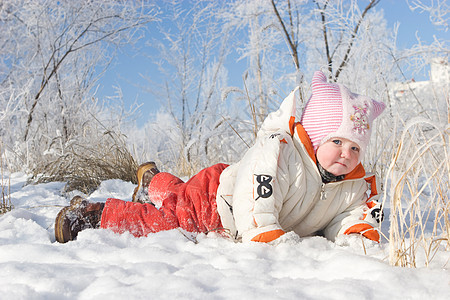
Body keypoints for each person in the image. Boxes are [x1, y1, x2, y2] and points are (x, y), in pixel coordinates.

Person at [55, 71, 385, 244]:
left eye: (355, 147)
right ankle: (93, 215)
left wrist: (356, 230)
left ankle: (152, 181)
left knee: (177, 196)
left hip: (219, 190)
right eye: (337, 141)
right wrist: (265, 232)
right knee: (166, 222)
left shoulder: (352, 186)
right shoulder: (282, 153)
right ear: (313, 137)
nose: (347, 153)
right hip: (218, 201)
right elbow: (258, 202)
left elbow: (345, 215)